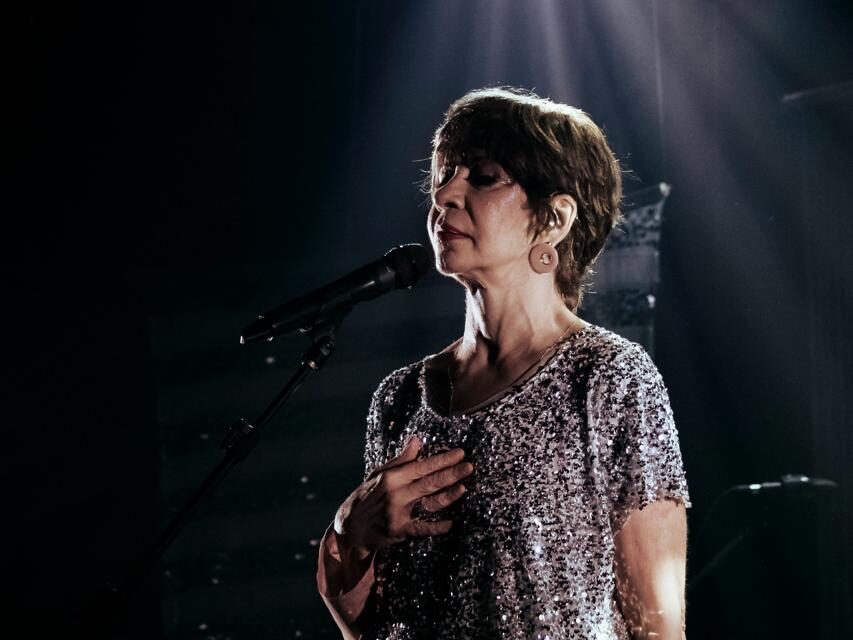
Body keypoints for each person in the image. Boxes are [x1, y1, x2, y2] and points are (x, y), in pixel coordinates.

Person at [316, 87, 690, 639]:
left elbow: (657, 625)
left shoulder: (608, 377)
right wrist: (350, 536)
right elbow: (370, 630)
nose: (445, 194)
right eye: (444, 175)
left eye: (483, 177)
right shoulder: (399, 399)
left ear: (554, 219)